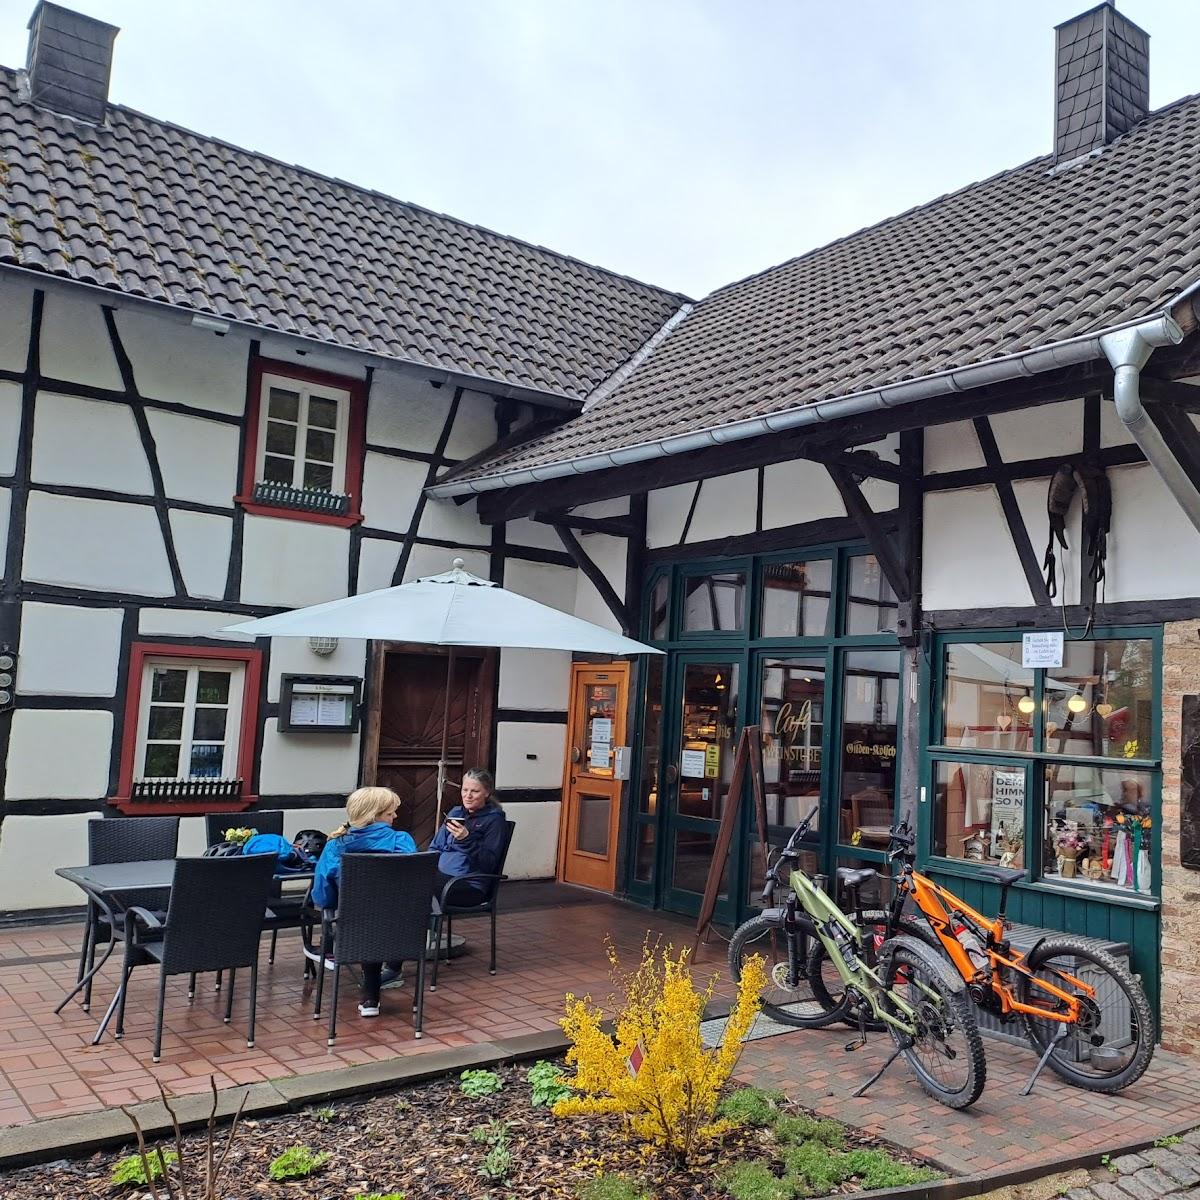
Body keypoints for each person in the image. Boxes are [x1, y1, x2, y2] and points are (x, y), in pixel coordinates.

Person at [310, 786, 417, 1018]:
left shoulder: (335, 846)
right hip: (402, 926)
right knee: (381, 917)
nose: (395, 816)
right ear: (374, 816)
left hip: (353, 927)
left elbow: (322, 896)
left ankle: (370, 998)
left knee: (366, 919)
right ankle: (382, 982)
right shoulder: (402, 842)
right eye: (390, 813)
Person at [428, 768, 506, 904]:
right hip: (442, 876)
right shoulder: (455, 813)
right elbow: (435, 847)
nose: (468, 795)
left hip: (469, 885)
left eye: (475, 791)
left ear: (487, 793)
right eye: (465, 790)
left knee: (420, 886)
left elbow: (489, 863)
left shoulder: (494, 820)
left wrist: (466, 839)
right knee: (408, 878)